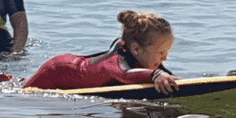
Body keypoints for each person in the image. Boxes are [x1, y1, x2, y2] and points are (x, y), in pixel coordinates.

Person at [23, 10, 179, 93]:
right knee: (25, 92)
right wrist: (156, 75)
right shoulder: (114, 64)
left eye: (167, 51)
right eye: (161, 53)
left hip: (71, 65)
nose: (165, 57)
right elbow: (126, 75)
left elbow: (161, 74)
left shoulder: (143, 58)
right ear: (136, 49)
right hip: (57, 70)